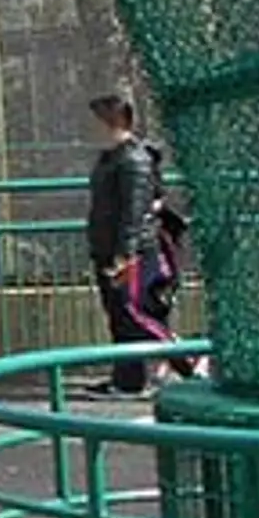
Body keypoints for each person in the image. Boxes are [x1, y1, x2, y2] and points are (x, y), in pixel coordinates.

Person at [86, 92, 192, 394]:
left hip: (132, 251)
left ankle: (188, 361)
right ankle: (127, 379)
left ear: (113, 122)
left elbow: (134, 212)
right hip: (108, 248)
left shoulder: (134, 159)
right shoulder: (110, 158)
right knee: (120, 315)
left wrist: (126, 253)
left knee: (136, 314)